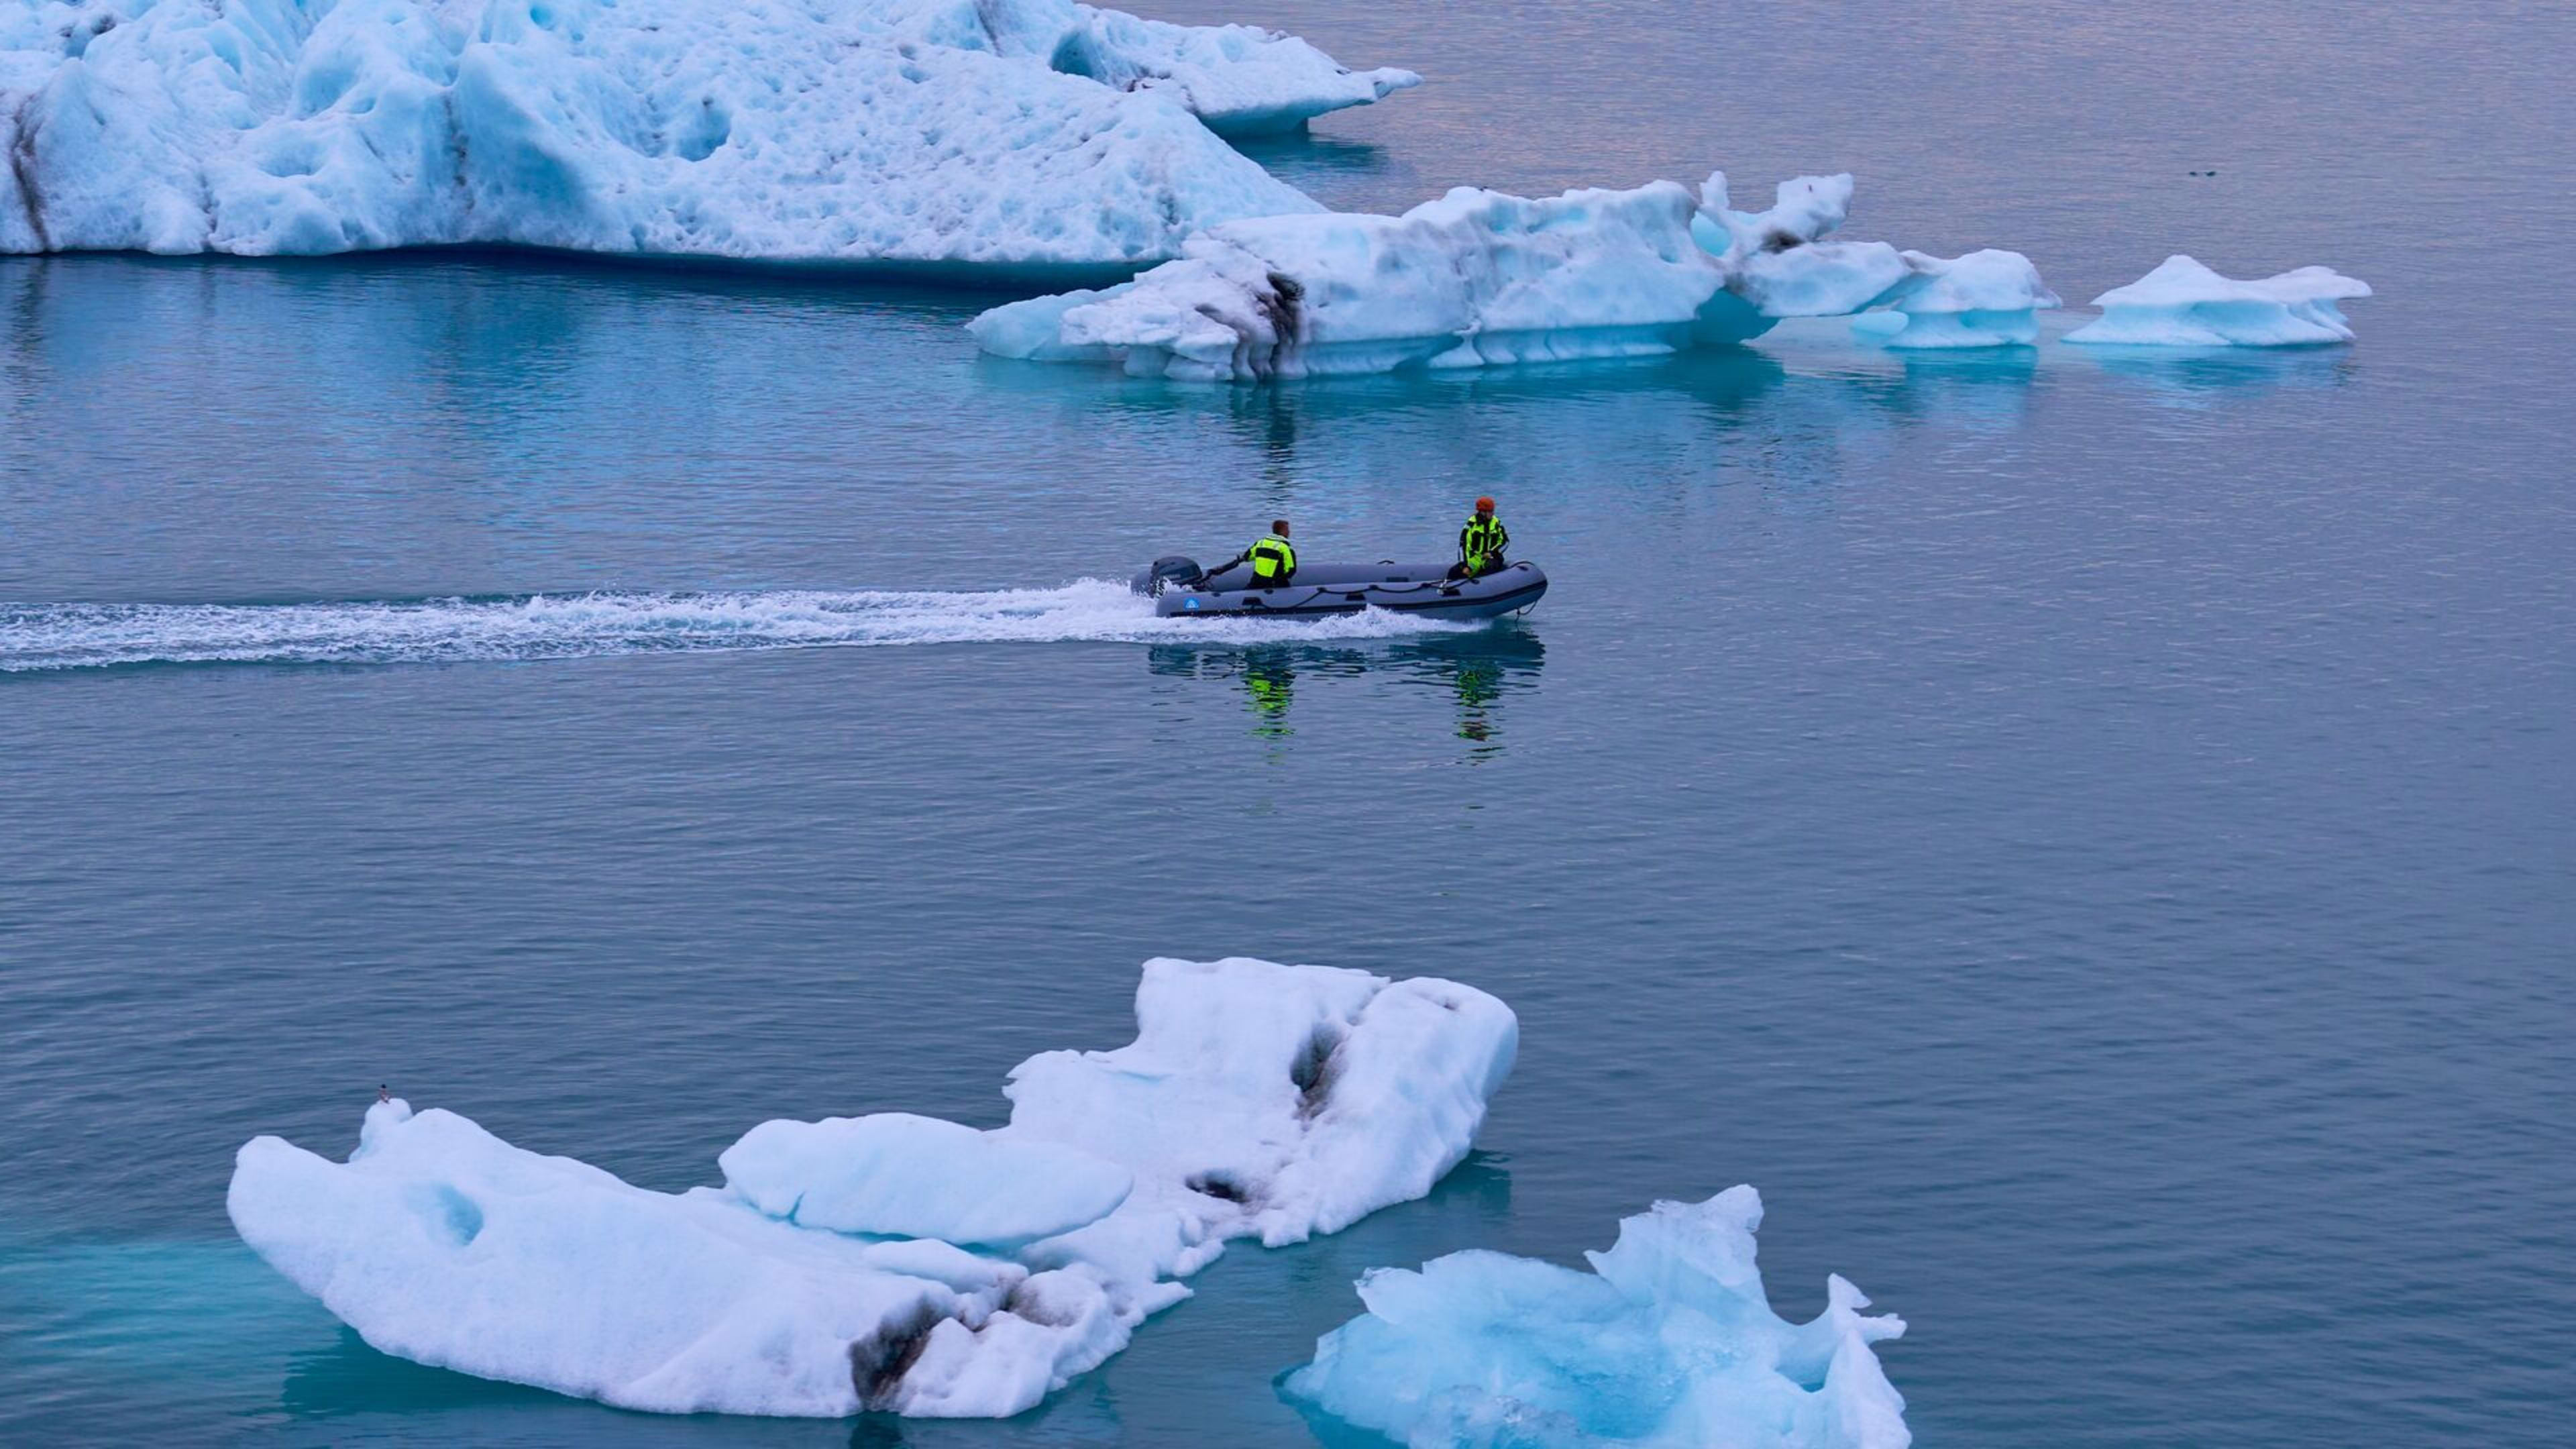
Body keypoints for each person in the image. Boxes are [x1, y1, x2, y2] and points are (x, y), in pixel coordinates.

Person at [1210, 519, 1297, 588]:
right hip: (1275, 585)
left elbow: (1247, 557)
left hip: (1257, 583)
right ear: (1282, 531)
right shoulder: (1285, 549)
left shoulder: (1260, 543)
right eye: (1287, 530)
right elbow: (1291, 570)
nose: (1289, 532)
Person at [1448, 496, 1509, 580]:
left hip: (1492, 558)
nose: (1493, 513)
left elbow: (1505, 542)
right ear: (1482, 512)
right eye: (1490, 511)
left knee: (1492, 567)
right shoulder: (1471, 525)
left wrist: (1492, 553)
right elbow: (1463, 546)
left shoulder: (1497, 523)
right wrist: (1466, 565)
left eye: (1493, 511)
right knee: (1454, 572)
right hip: (1476, 560)